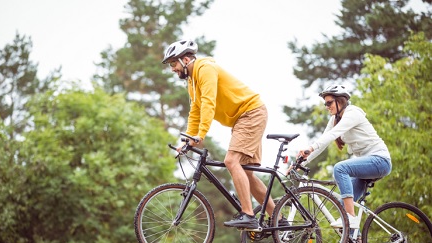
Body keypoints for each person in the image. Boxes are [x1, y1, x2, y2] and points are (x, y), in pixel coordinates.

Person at [162, 39, 275, 230]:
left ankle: (248, 214)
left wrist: (201, 134)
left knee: (231, 161)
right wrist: (189, 138)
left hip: (251, 113)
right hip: (243, 118)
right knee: (246, 173)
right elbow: (195, 110)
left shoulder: (205, 68)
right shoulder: (191, 82)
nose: (172, 69)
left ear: (186, 59)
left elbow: (208, 102)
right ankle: (279, 219)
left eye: (173, 63)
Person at [297, 84, 392, 229]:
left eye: (329, 103)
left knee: (340, 168)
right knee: (344, 202)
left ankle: (350, 218)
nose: (327, 106)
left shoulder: (353, 113)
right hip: (367, 166)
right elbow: (323, 142)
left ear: (340, 101)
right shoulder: (335, 119)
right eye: (325, 104)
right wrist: (301, 162)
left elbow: (332, 135)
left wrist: (310, 148)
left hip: (380, 161)